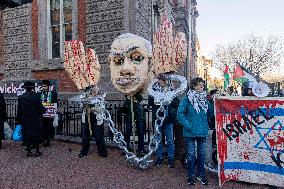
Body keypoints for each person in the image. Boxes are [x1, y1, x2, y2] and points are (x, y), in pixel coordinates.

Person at [177, 77, 213, 185]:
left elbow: (211, 114)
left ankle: (201, 175)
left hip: (202, 131)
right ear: (193, 86)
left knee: (201, 154)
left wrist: (211, 102)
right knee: (191, 155)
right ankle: (191, 176)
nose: (201, 86)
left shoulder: (205, 99)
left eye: (202, 84)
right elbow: (180, 113)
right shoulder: (187, 98)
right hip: (190, 132)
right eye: (199, 84)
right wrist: (188, 125)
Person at [16, 81, 46, 157]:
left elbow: (19, 110)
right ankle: (37, 151)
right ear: (32, 88)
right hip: (35, 119)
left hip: (25, 119)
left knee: (27, 135)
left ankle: (29, 151)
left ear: (25, 88)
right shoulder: (36, 96)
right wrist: (44, 110)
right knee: (36, 134)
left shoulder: (21, 97)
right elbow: (41, 108)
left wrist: (18, 120)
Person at [154, 74, 177, 168]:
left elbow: (176, 103)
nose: (162, 82)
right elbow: (151, 102)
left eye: (163, 80)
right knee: (158, 139)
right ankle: (159, 157)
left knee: (170, 140)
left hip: (168, 119)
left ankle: (171, 158)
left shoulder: (171, 91)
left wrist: (170, 100)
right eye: (160, 80)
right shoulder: (154, 91)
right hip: (158, 119)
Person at [79, 86, 108, 158]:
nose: (93, 90)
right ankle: (84, 151)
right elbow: (80, 106)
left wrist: (96, 109)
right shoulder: (84, 96)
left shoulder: (100, 97)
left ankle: (102, 151)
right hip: (86, 117)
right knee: (85, 135)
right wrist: (84, 103)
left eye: (95, 88)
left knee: (99, 135)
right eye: (91, 89)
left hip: (97, 118)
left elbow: (103, 108)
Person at [123, 92, 145, 157]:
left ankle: (141, 150)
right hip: (129, 116)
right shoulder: (127, 96)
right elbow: (126, 102)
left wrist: (134, 93)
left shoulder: (137, 92)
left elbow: (140, 98)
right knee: (128, 131)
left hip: (138, 116)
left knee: (140, 132)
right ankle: (126, 147)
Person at [40, 80, 58, 147]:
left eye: (45, 86)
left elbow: (55, 103)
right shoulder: (40, 94)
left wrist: (54, 110)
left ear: (48, 86)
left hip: (49, 114)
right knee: (42, 127)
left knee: (49, 127)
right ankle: (43, 139)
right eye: (42, 86)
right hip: (42, 114)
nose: (43, 87)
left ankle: (48, 140)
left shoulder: (53, 94)